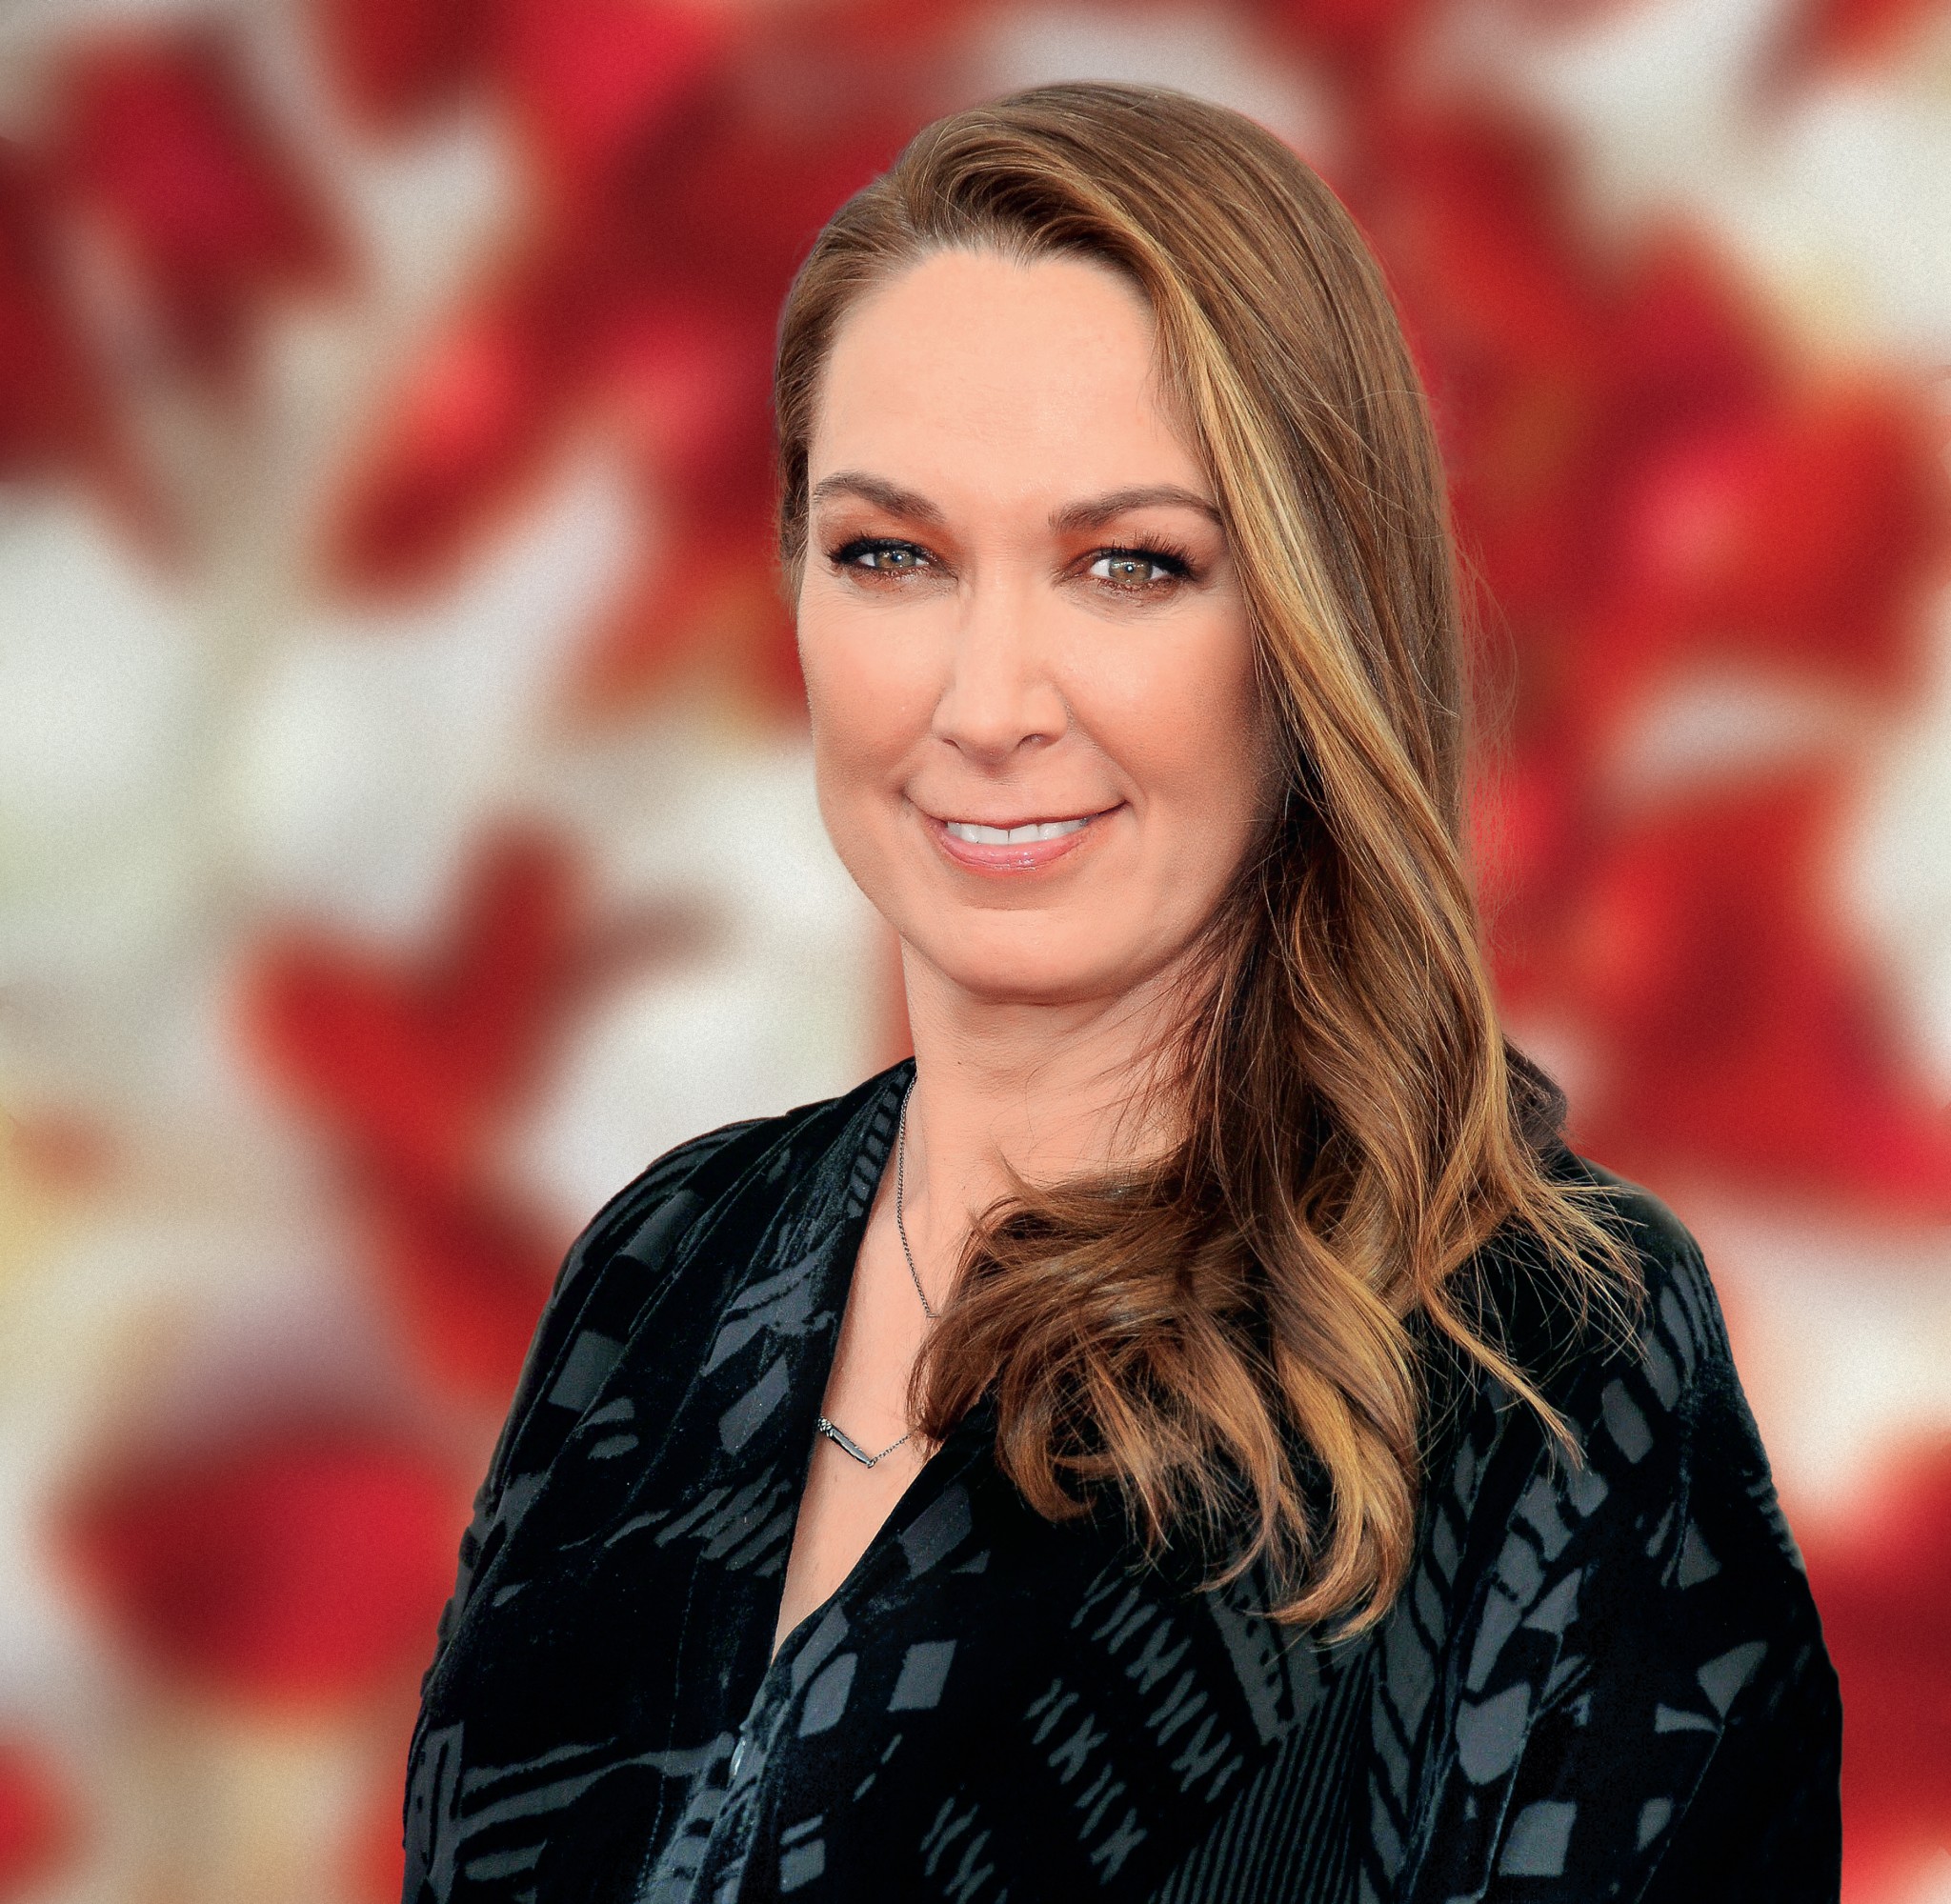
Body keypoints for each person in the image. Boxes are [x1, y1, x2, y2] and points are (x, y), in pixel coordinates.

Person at [400, 82, 1840, 1902]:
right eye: (892, 555)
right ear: (795, 587)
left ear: (1311, 626)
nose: (989, 702)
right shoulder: (663, 1271)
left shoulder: (1548, 1370)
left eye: (1128, 565)